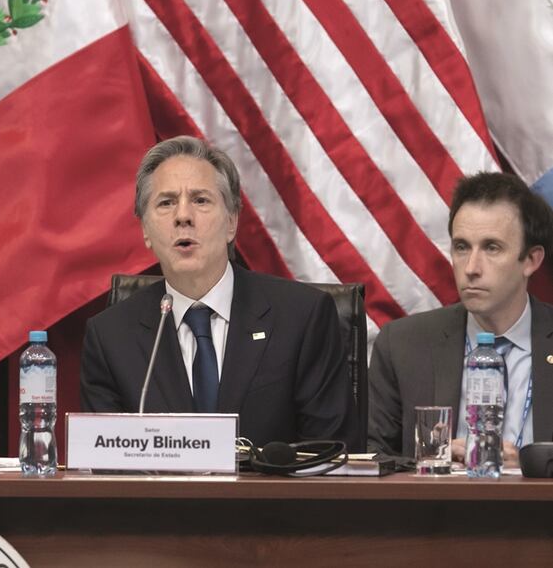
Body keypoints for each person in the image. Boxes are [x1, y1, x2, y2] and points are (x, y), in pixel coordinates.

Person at [80, 136, 351, 447]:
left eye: (200, 200)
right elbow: (101, 471)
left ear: (232, 222)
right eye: (166, 202)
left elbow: (332, 460)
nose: (183, 216)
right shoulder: (111, 337)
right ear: (145, 231)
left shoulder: (302, 318)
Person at [368, 172, 553, 464]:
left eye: (492, 248)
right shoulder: (402, 345)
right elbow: (370, 457)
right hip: (437, 508)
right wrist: (435, 458)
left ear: (531, 260)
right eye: (462, 247)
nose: (471, 267)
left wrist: (528, 466)